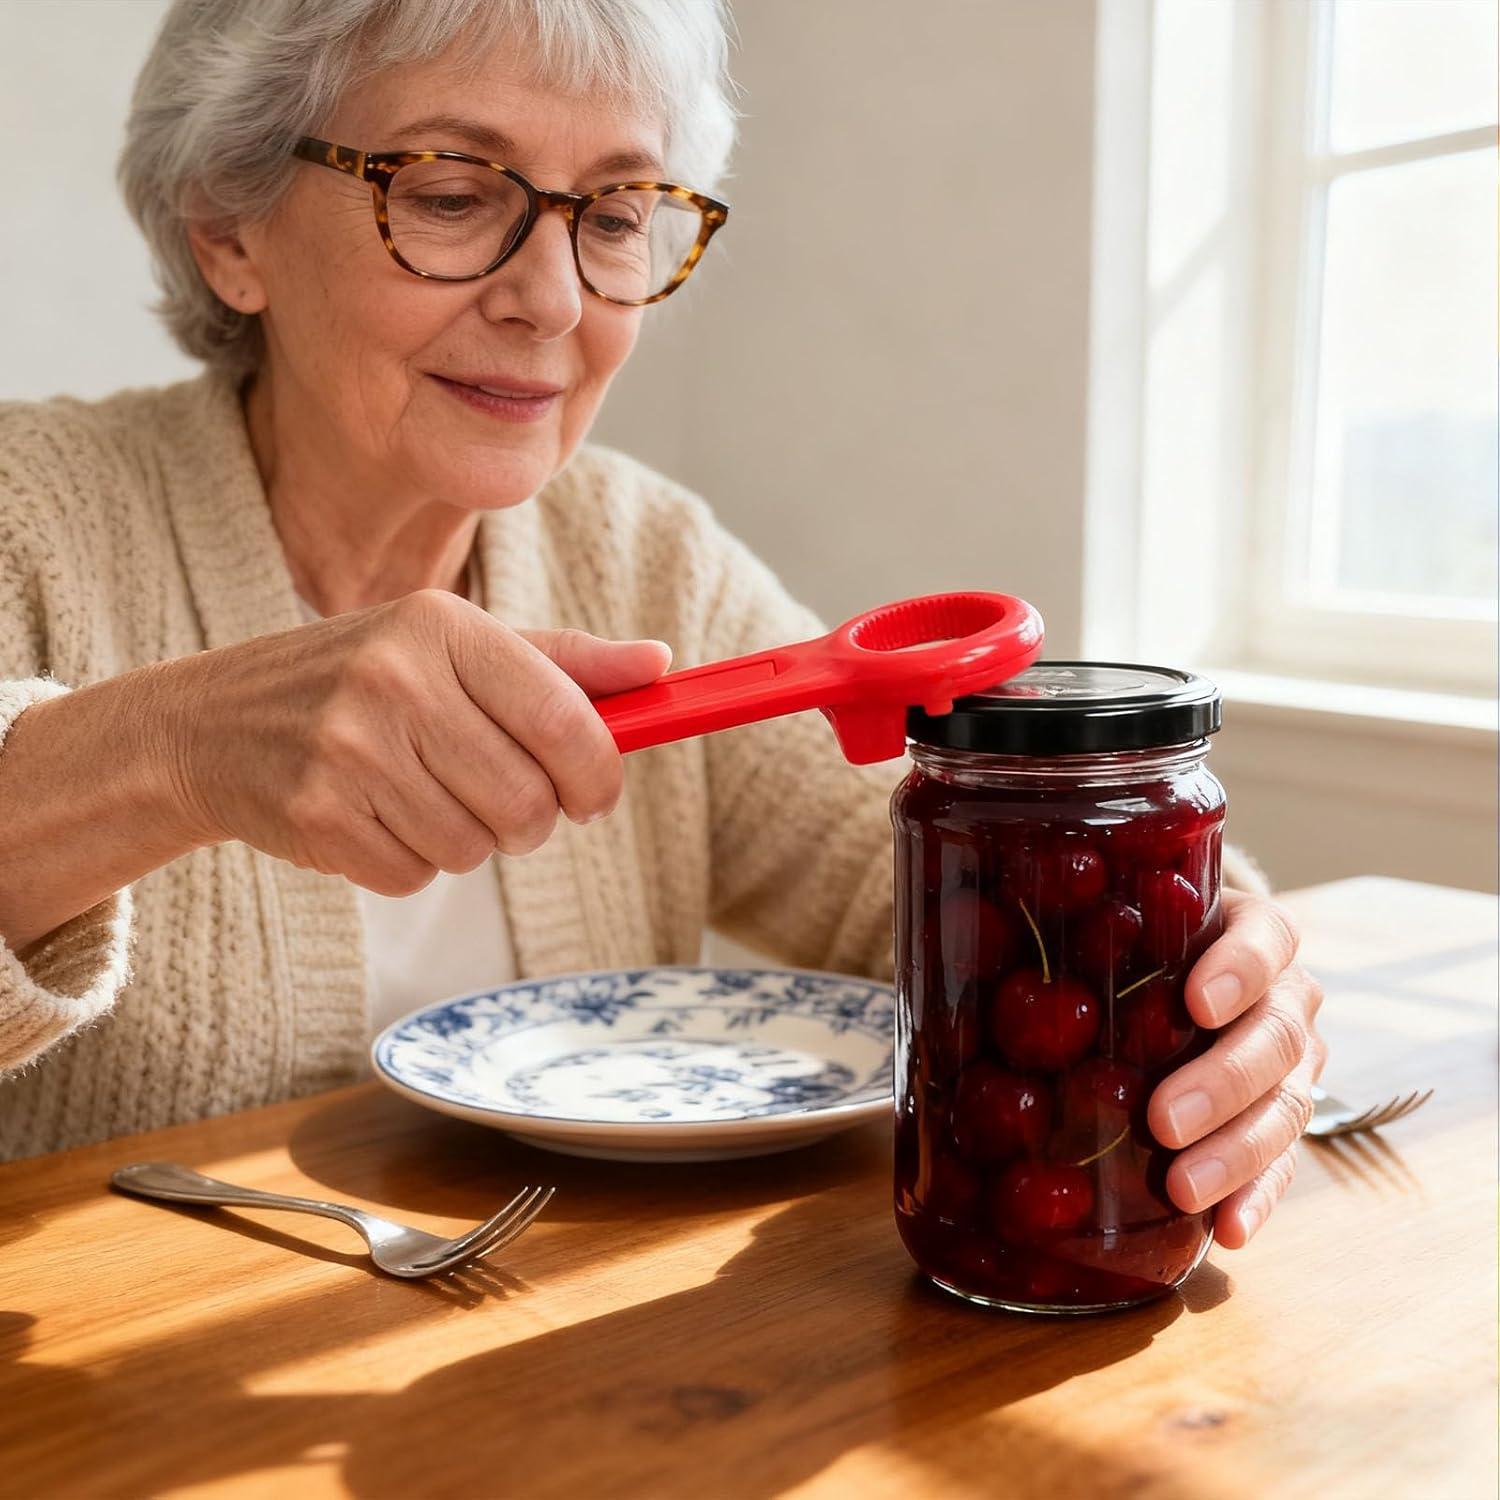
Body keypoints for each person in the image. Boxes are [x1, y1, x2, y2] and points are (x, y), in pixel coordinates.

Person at [0, 0, 1322, 1247]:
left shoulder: (646, 559)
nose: (555, 301)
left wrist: (1211, 975)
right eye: (453, 193)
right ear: (230, 230)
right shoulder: (29, 516)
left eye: (617, 215)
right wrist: (163, 751)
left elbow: (959, 902)